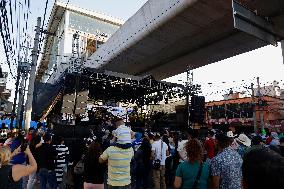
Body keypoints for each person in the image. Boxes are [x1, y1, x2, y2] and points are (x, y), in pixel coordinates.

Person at [99, 122, 134, 189]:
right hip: (126, 182)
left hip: (113, 183)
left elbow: (100, 160)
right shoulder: (131, 150)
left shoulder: (110, 150)